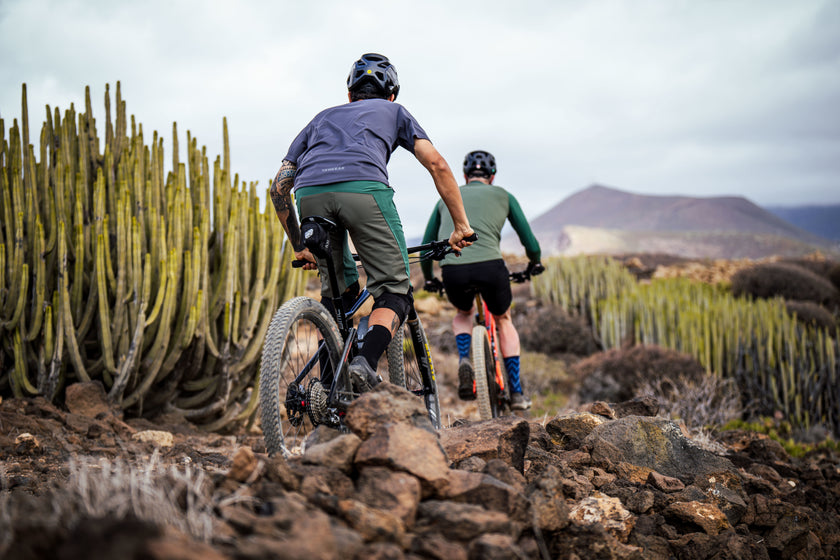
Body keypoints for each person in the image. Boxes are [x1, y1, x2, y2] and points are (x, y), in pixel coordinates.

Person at [270, 53, 474, 393]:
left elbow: (279, 187)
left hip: (309, 195)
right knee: (394, 288)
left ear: (350, 95)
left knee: (338, 297)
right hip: (364, 190)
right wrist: (461, 226)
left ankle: (329, 393)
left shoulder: (320, 118)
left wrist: (300, 245)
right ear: (392, 94)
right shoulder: (395, 112)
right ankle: (364, 362)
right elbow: (436, 164)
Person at [421, 150, 543, 410]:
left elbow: (426, 246)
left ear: (465, 176)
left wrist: (431, 277)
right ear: (493, 176)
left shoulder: (446, 198)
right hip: (492, 268)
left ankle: (465, 358)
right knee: (504, 319)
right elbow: (529, 241)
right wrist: (534, 263)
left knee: (463, 313)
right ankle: (518, 393)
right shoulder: (504, 196)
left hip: (453, 269)